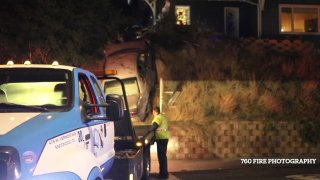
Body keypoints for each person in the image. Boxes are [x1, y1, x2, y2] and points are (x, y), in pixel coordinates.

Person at [151, 106, 169, 179]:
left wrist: (148, 131)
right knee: (163, 157)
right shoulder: (163, 117)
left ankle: (163, 175)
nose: (152, 113)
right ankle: (164, 173)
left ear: (155, 112)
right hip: (165, 138)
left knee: (161, 157)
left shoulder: (158, 117)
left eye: (153, 112)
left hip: (161, 139)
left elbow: (154, 126)